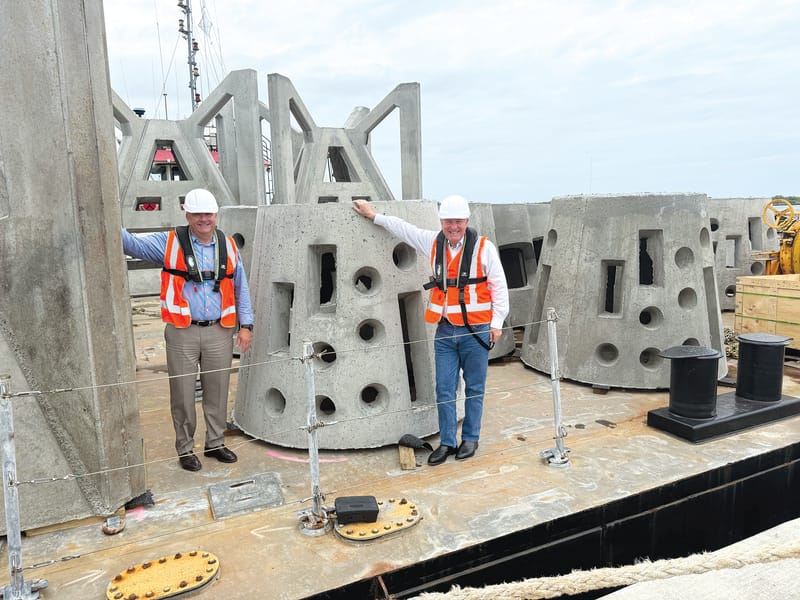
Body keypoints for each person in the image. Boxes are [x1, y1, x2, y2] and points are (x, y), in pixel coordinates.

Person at [352, 195, 509, 464]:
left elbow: (499, 285)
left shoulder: (484, 249)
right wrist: (372, 215)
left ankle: (470, 439)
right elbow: (404, 229)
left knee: (474, 388)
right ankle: (448, 442)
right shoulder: (434, 242)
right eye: (448, 222)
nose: (453, 227)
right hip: (446, 332)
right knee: (444, 389)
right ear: (442, 222)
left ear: (466, 221)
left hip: (476, 332)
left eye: (458, 221)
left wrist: (497, 323)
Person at [121, 188, 254, 472]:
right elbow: (130, 244)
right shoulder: (168, 243)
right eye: (197, 214)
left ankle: (215, 443)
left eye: (208, 214)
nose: (204, 219)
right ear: (187, 215)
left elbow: (241, 288)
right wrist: (104, 212)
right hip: (182, 331)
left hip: (220, 330)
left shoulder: (228, 245)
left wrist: (247, 326)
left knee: (217, 391)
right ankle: (185, 448)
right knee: (182, 393)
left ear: (216, 215)